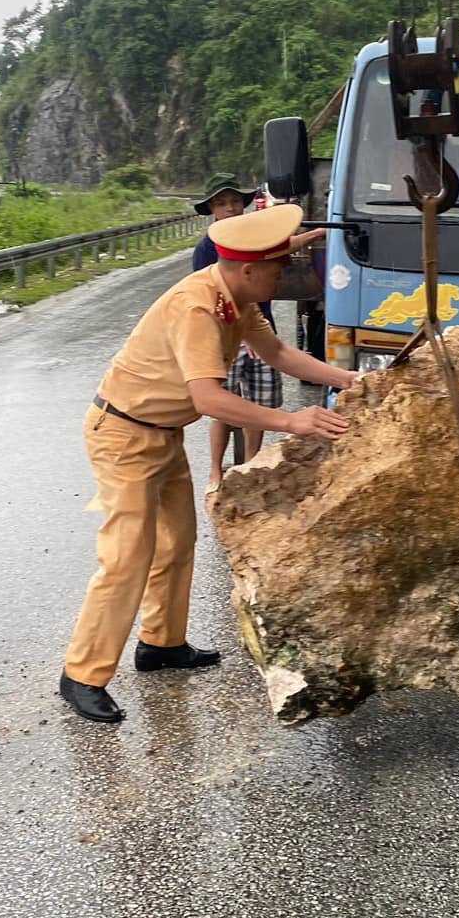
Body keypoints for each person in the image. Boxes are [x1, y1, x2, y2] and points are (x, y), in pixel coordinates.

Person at [59, 203, 356, 724]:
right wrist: (292, 421)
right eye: (275, 268)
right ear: (247, 269)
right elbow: (209, 400)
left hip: (161, 434)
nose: (282, 276)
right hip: (123, 434)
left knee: (177, 543)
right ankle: (82, 675)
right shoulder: (197, 306)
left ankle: (161, 644)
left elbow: (280, 355)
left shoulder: (236, 298)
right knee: (128, 554)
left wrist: (351, 382)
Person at [192, 173, 284, 490]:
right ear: (212, 210)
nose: (230, 208)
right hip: (226, 337)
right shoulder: (207, 249)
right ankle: (216, 472)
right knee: (224, 408)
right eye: (221, 203)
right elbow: (210, 299)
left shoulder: (257, 240)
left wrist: (310, 235)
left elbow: (279, 254)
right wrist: (244, 337)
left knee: (257, 407)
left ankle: (249, 466)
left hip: (260, 332)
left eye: (234, 201)